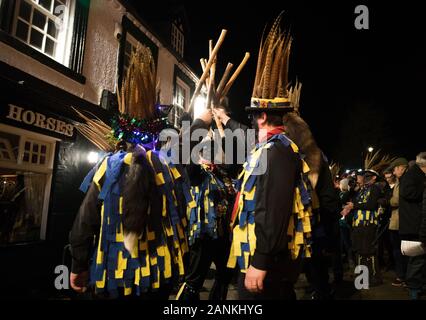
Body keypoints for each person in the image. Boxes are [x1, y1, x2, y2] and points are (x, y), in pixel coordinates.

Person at [68, 45, 191, 299]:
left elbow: (85, 221)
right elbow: (182, 216)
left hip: (114, 276)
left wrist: (78, 264)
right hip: (158, 276)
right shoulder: (169, 168)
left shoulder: (107, 166)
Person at [225, 15, 315, 300]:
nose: (250, 122)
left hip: (266, 259)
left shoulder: (277, 151)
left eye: (253, 117)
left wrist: (260, 260)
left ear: (262, 116)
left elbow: (273, 208)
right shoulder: (269, 148)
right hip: (262, 254)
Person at [399, 152, 426, 299]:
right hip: (415, 224)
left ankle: (417, 286)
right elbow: (408, 193)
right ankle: (414, 289)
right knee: (416, 259)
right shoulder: (412, 176)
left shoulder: (415, 175)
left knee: (419, 260)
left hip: (417, 223)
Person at [387, 158, 409, 287]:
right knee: (398, 250)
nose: (394, 173)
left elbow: (396, 200)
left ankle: (403, 276)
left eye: (395, 169)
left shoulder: (403, 181)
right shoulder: (400, 181)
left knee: (400, 251)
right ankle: (402, 276)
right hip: (397, 221)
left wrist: (388, 201)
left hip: (400, 221)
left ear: (401, 167)